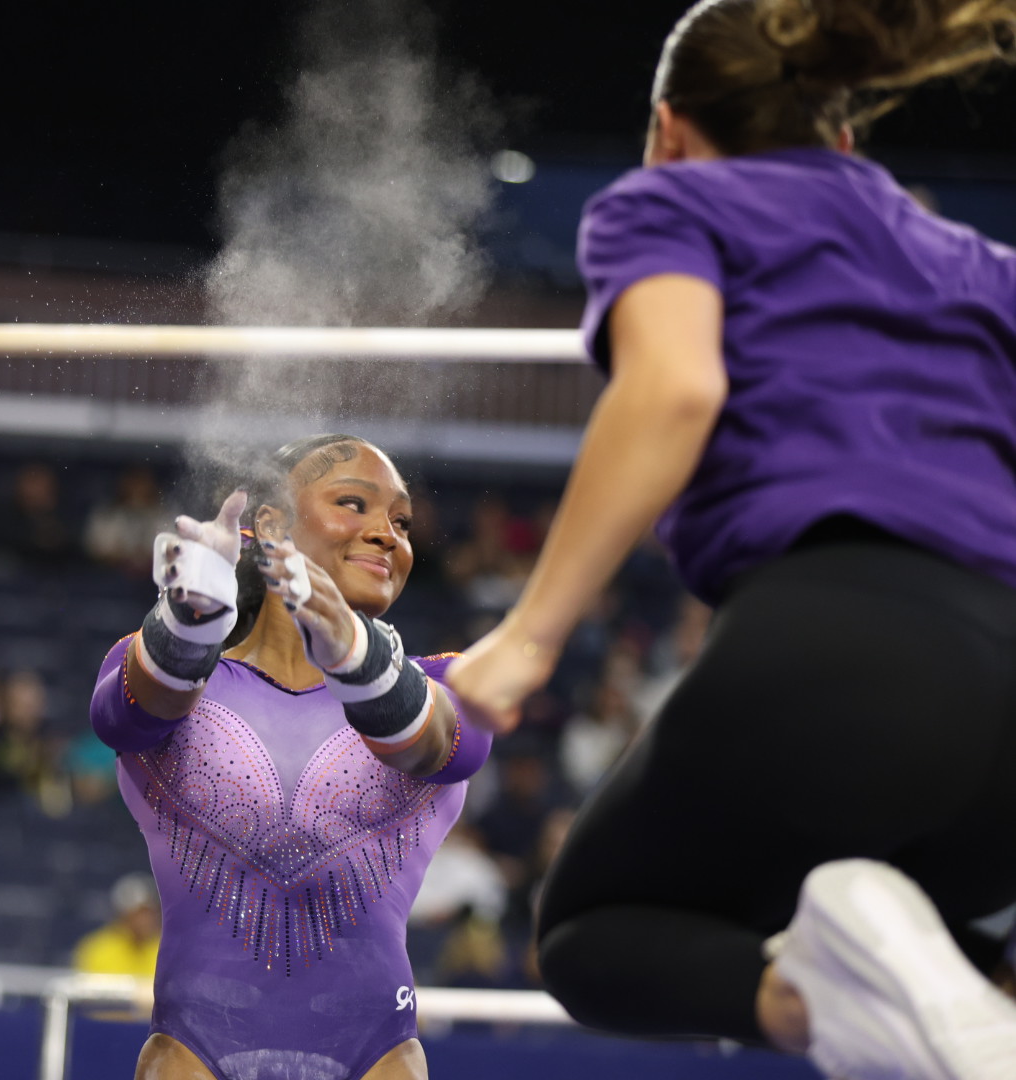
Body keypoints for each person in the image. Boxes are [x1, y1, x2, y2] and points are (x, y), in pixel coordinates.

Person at [444, 2, 1016, 1078]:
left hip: (847, 635)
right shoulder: (980, 260)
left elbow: (675, 388)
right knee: (936, 962)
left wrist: (528, 637)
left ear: (668, 129)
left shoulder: (672, 201)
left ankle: (802, 997)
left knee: (596, 930)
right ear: (841, 134)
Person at [90, 434, 494, 1080]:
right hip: (193, 1055)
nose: (387, 534)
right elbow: (125, 713)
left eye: (401, 522)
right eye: (353, 503)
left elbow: (436, 741)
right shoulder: (175, 680)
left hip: (376, 1059)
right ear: (272, 525)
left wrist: (356, 656)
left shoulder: (448, 686)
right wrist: (188, 626)